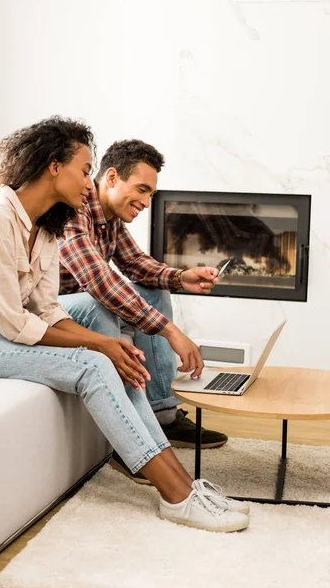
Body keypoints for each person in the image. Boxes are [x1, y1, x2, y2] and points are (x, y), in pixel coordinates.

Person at [0, 115, 249, 533]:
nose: (87, 181)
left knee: (112, 358)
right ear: (53, 166)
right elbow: (16, 325)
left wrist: (112, 346)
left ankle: (185, 485)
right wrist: (101, 346)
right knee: (95, 364)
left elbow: (48, 311)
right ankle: (177, 496)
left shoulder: (45, 227)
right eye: (83, 169)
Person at [58, 139, 228, 483]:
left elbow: (135, 264)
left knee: (153, 288)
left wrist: (181, 278)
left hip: (84, 302)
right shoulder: (72, 209)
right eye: (141, 190)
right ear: (110, 177)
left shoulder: (109, 218)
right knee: (99, 305)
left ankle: (163, 414)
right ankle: (127, 443)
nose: (146, 203)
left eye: (151, 194)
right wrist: (170, 330)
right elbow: (97, 278)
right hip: (53, 312)